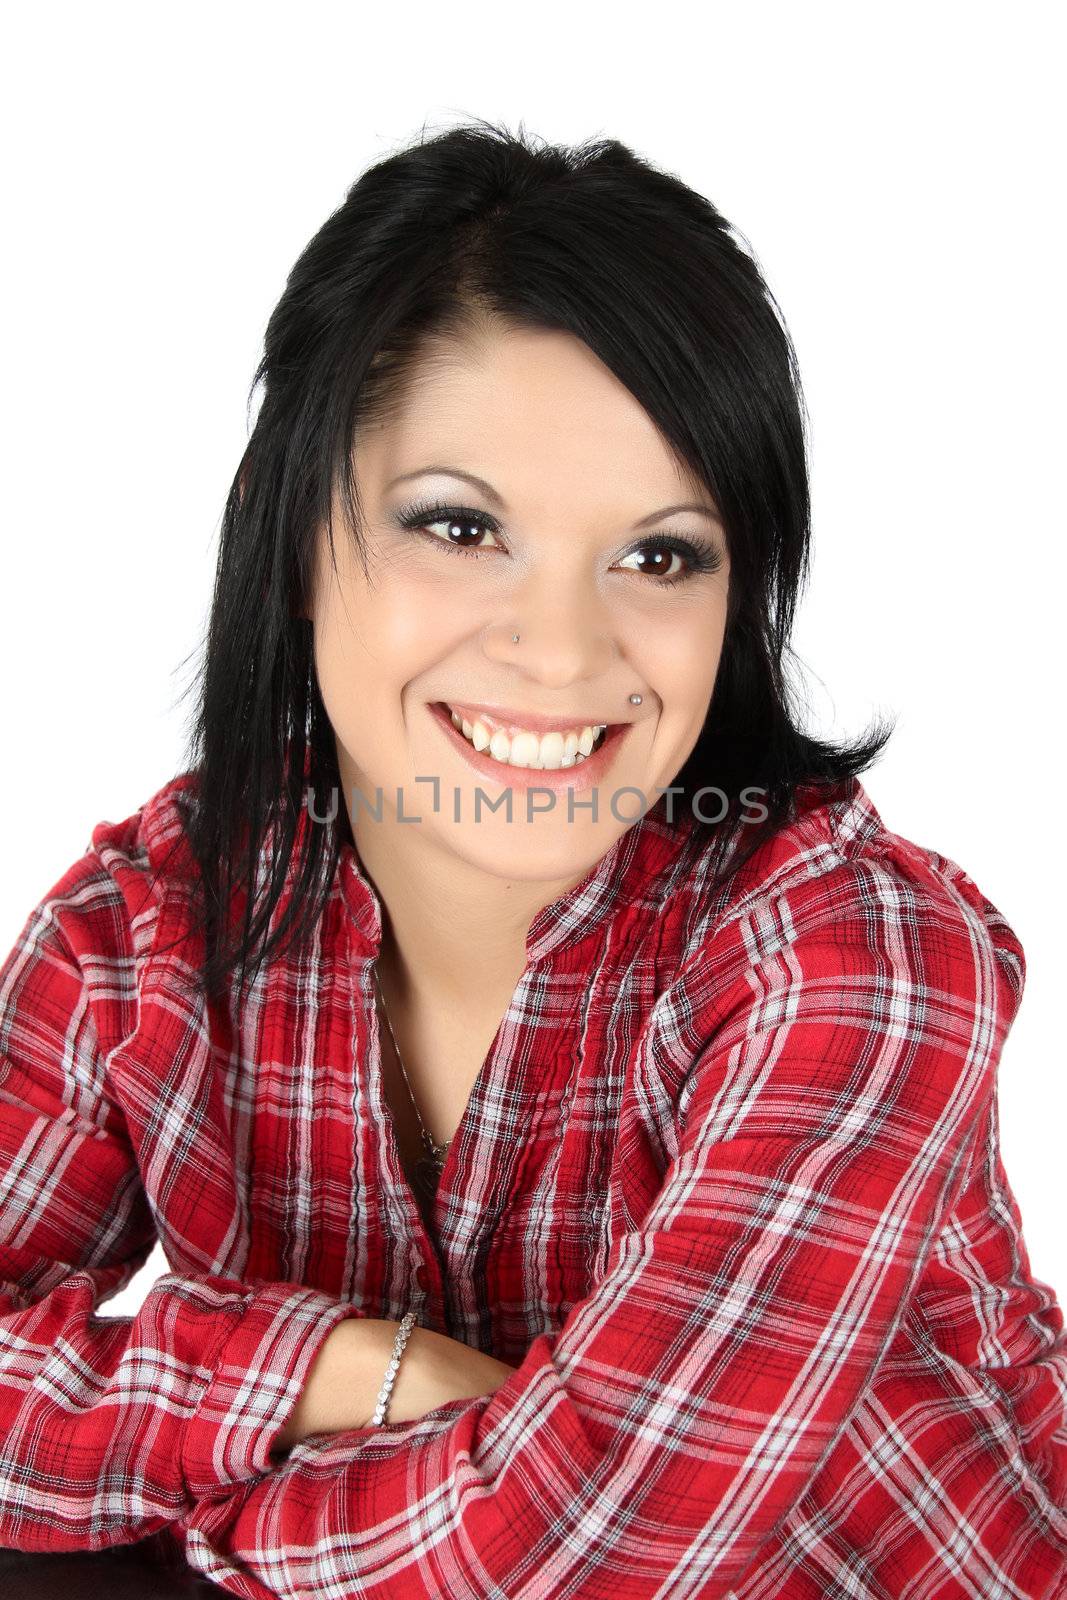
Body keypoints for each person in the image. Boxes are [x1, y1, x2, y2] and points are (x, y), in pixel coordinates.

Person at [1, 117, 1064, 1600]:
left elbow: (577, 1555)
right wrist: (339, 1369)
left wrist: (175, 1494)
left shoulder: (858, 958)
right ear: (292, 538)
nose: (562, 653)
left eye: (660, 555)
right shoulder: (149, 928)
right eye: (460, 526)